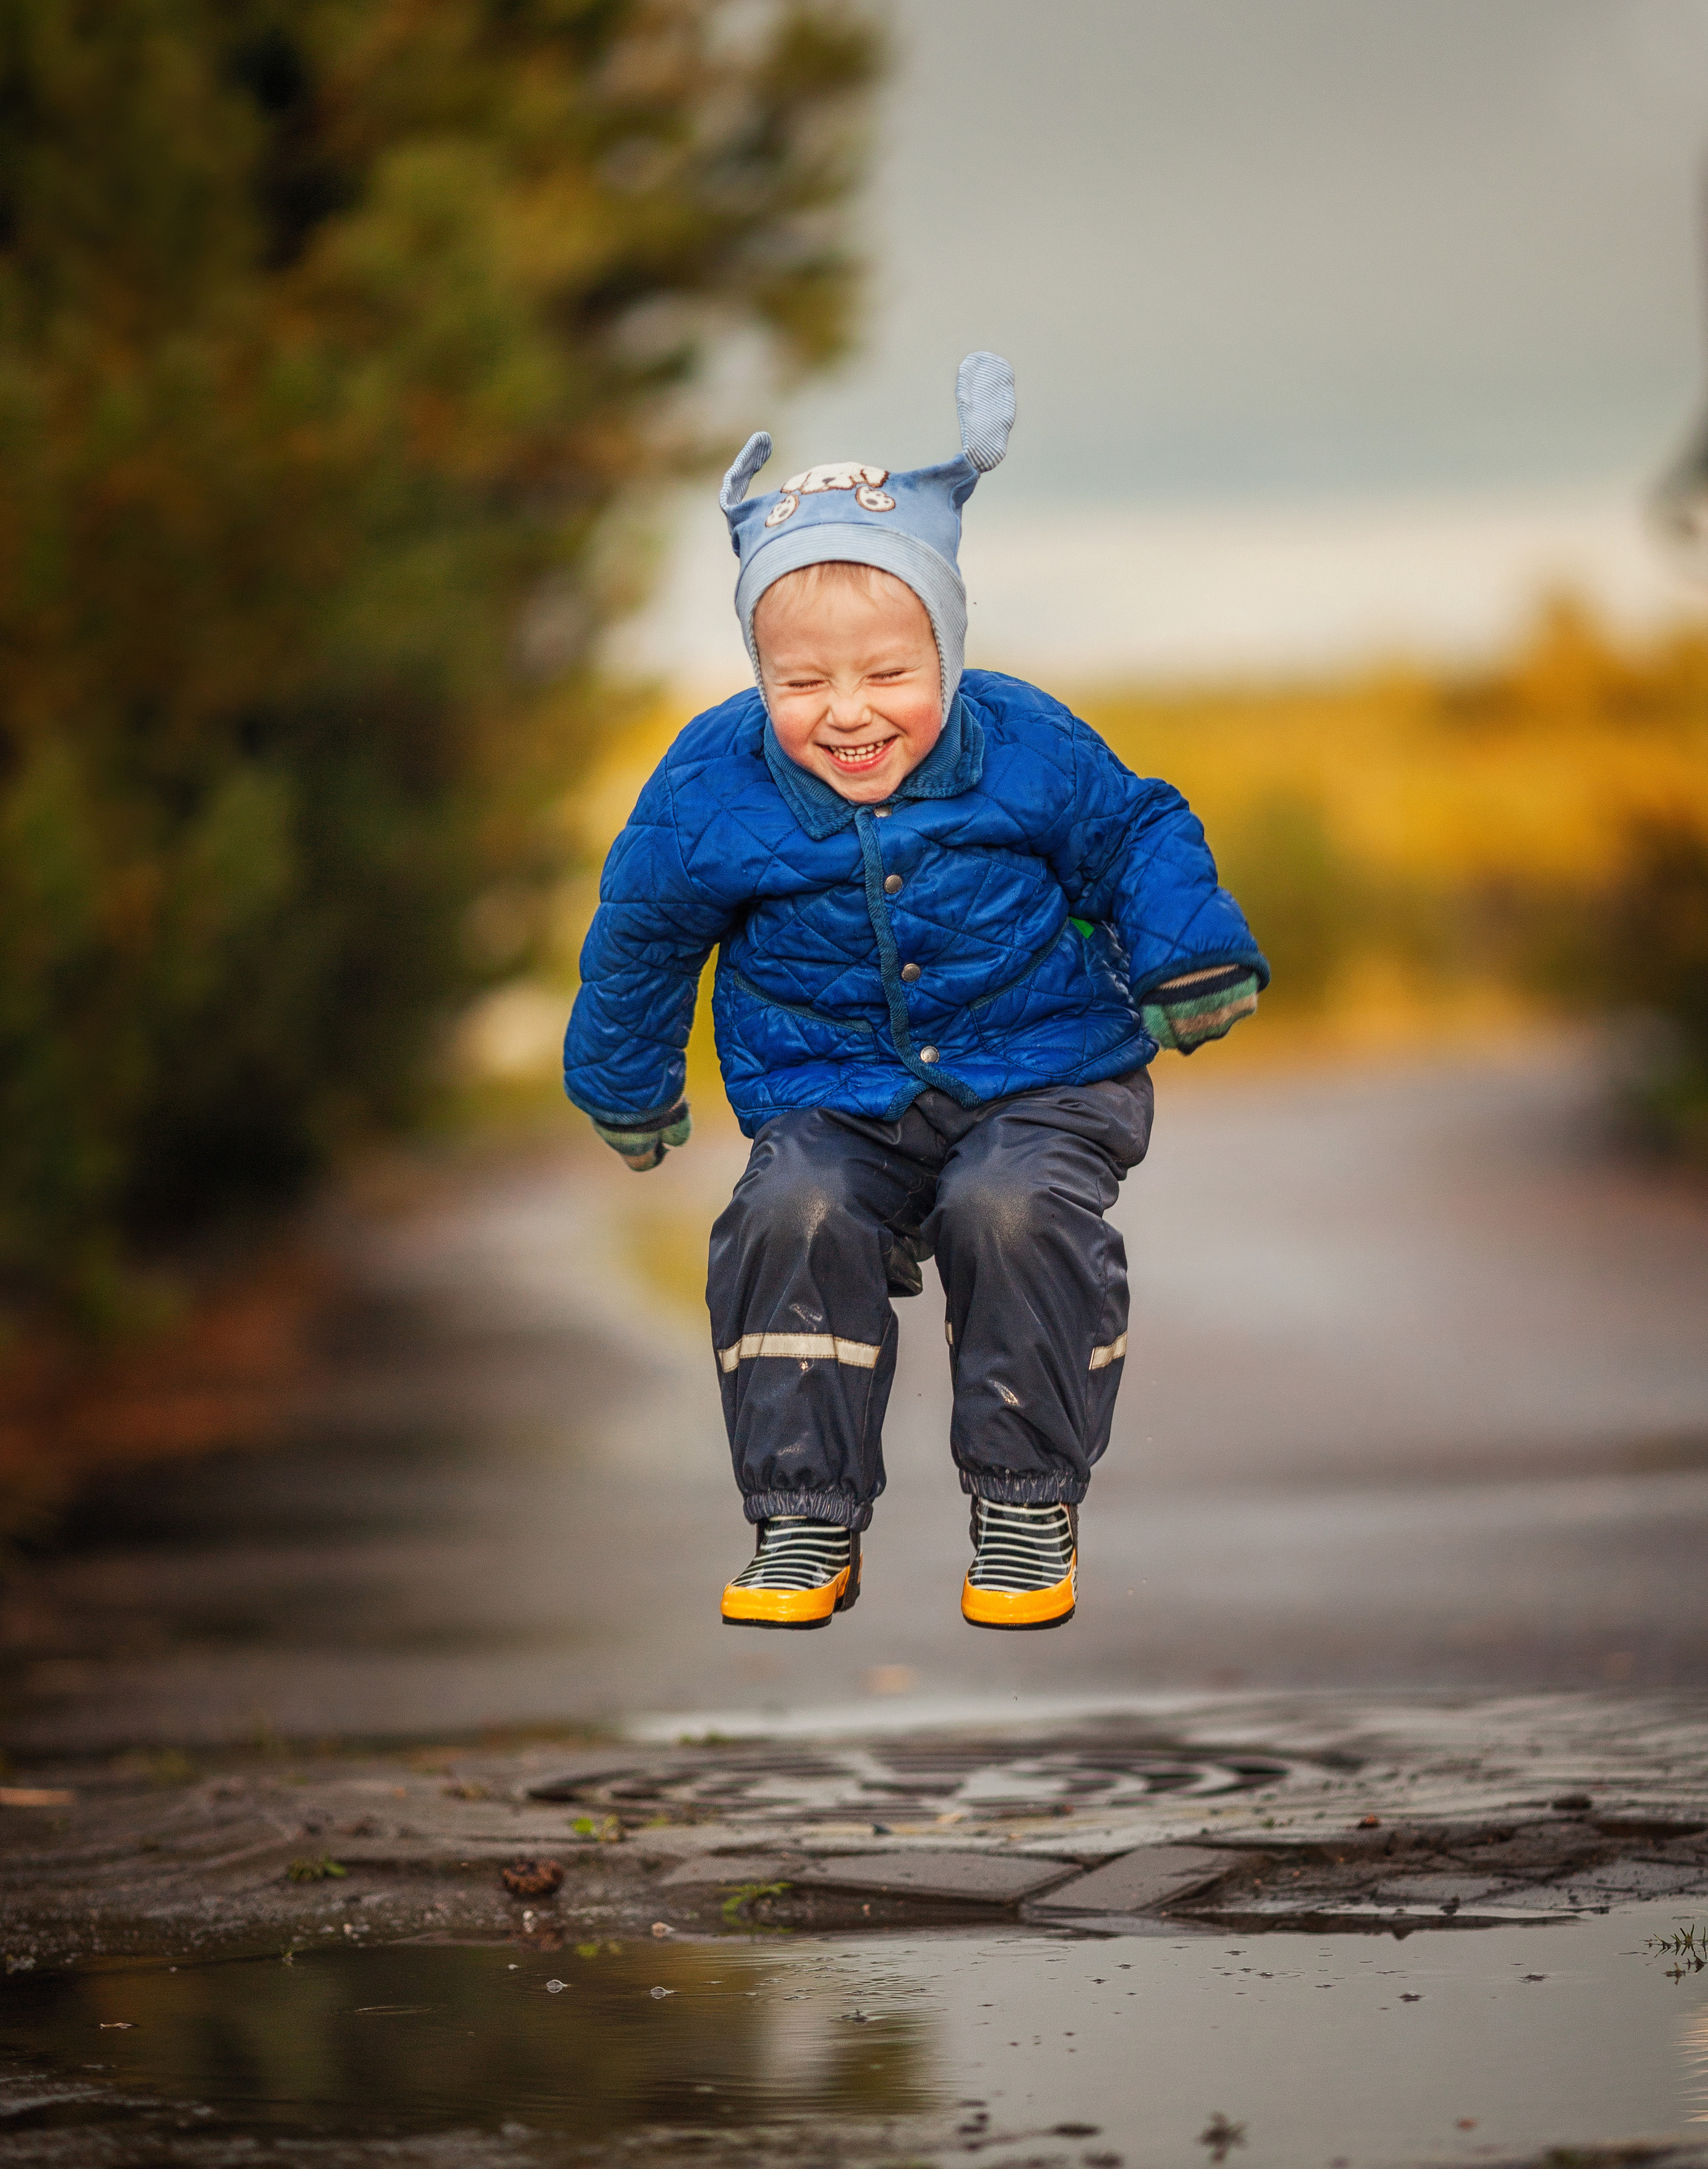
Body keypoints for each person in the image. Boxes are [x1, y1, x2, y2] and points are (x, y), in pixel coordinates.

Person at [563, 354, 1266, 1634]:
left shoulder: (1027, 740)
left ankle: (1025, 1497)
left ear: (945, 646)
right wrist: (625, 1083)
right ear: (756, 675)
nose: (848, 716)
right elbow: (642, 932)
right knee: (791, 1212)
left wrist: (1190, 957)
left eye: (889, 675)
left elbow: (1134, 835)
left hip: (1043, 1074)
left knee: (1007, 1209)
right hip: (832, 1098)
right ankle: (803, 1518)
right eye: (801, 685)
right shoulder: (708, 784)